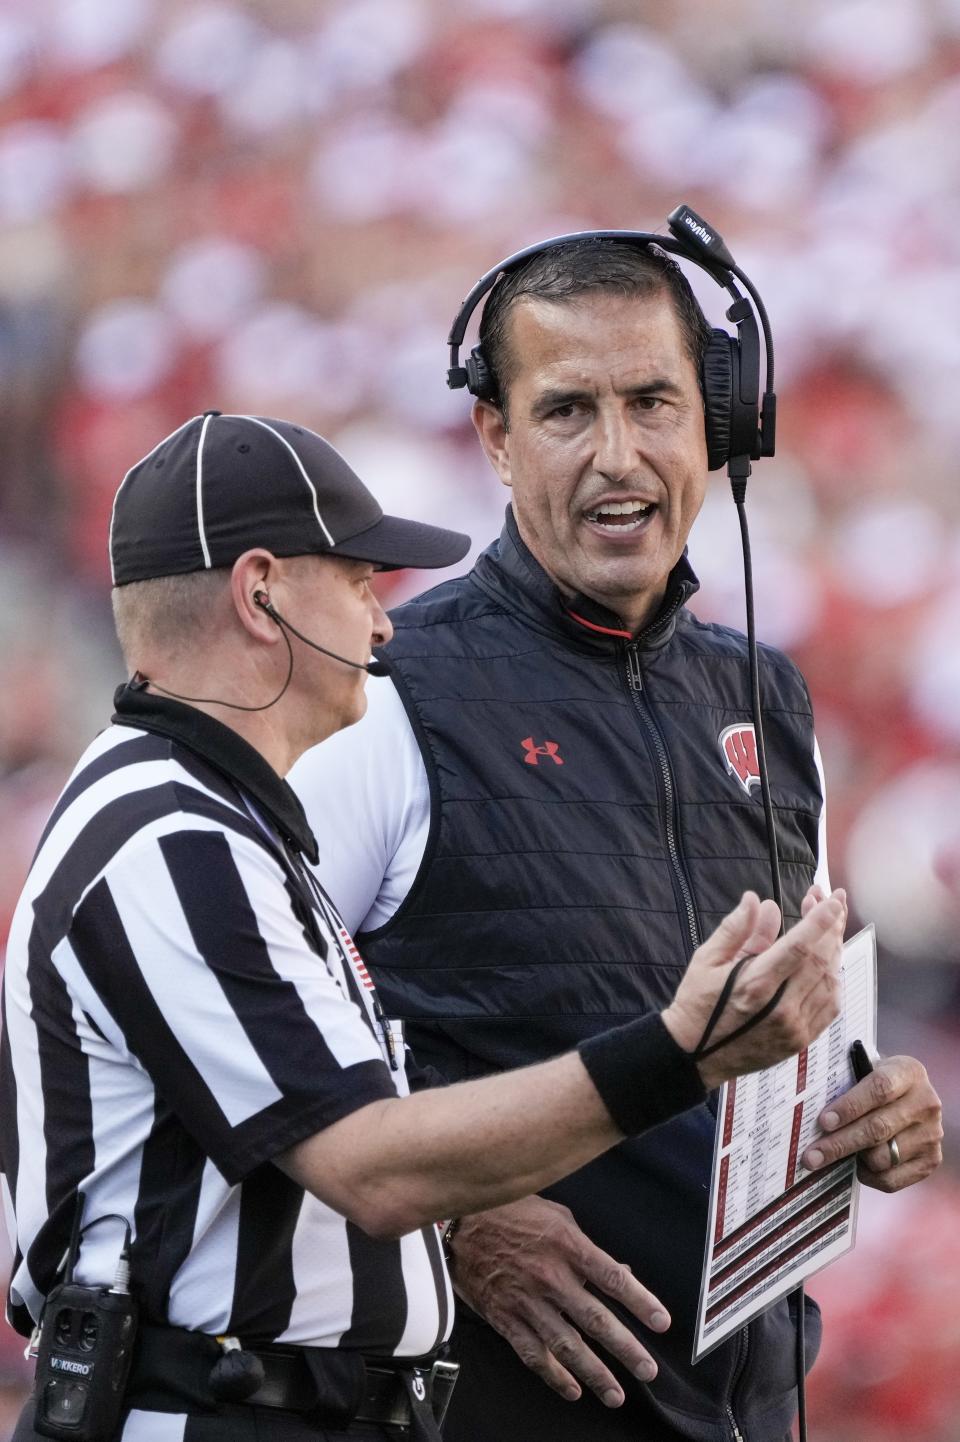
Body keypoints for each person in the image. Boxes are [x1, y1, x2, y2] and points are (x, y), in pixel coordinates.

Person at [0, 411, 849, 1442]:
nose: (384, 620)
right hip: (200, 1405)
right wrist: (676, 1053)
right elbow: (372, 1166)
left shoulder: (217, 818)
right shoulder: (167, 833)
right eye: (359, 580)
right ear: (261, 593)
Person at [289, 242, 944, 1442]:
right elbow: (246, 1062)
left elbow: (788, 1029)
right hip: (482, 1399)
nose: (617, 454)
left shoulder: (769, 700)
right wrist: (458, 1224)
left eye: (652, 403)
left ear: (722, 426)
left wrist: (874, 1102)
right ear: (494, 439)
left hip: (747, 1394)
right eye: (566, 411)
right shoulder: (376, 696)